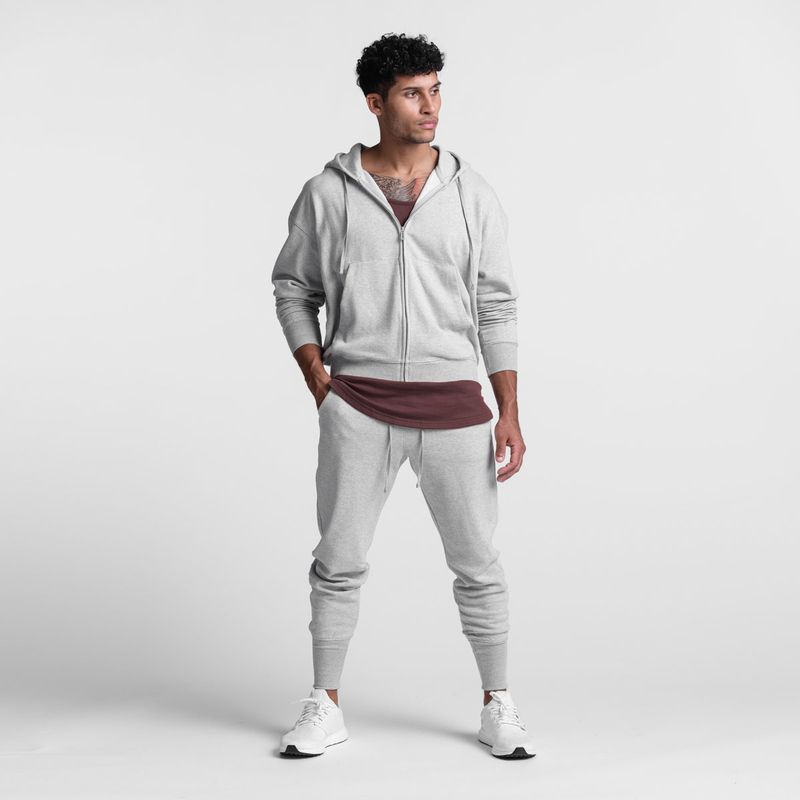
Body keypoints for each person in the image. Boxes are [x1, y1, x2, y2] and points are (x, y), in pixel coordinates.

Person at [271, 32, 534, 760]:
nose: (430, 106)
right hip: (359, 403)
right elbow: (292, 286)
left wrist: (509, 410)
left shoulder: (472, 194)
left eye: (436, 90)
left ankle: (498, 703)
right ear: (376, 103)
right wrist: (316, 373)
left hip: (454, 407)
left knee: (478, 563)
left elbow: (497, 304)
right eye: (413, 93)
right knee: (338, 559)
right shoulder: (328, 193)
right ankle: (325, 704)